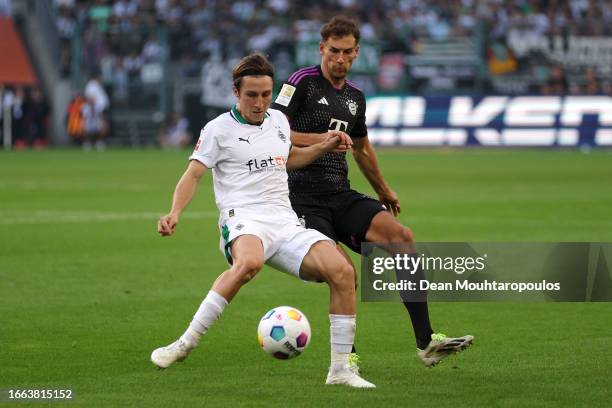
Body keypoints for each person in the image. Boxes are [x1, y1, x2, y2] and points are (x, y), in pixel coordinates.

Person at [151, 53, 375, 388]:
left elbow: (288, 159)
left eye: (266, 95)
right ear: (236, 93)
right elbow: (193, 174)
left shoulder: (279, 122)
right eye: (252, 95)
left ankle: (340, 369)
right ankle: (185, 343)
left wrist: (324, 146)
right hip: (242, 217)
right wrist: (174, 212)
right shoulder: (217, 130)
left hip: (284, 220)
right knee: (249, 263)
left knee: (343, 272)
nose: (260, 103)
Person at [271, 16, 473, 370]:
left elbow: (362, 149)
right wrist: (322, 139)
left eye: (348, 52)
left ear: (357, 53)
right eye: (334, 51)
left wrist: (384, 189)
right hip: (301, 198)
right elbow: (274, 130)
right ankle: (346, 360)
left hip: (340, 194)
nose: (340, 59)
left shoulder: (355, 98)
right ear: (322, 48)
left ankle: (426, 343)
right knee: (343, 270)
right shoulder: (302, 82)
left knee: (402, 237)